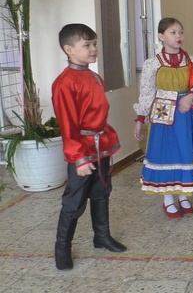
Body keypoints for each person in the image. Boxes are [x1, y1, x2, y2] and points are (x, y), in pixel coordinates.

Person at [52, 23, 127, 270]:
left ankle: (101, 236)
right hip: (82, 151)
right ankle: (62, 248)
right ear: (69, 49)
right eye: (87, 45)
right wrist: (79, 159)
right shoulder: (64, 83)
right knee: (74, 200)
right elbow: (67, 123)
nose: (94, 49)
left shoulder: (94, 76)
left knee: (101, 191)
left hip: (100, 145)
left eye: (94, 44)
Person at [134, 17, 193, 219]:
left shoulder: (192, 61)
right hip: (163, 117)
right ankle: (168, 198)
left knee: (184, 153)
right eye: (173, 32)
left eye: (181, 32)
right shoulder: (153, 64)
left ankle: (184, 193)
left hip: (185, 115)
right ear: (161, 36)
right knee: (166, 154)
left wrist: (191, 96)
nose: (178, 36)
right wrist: (140, 119)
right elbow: (146, 92)